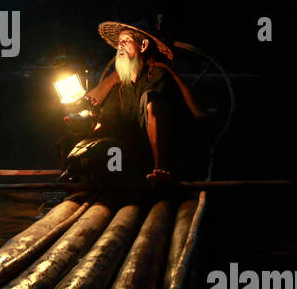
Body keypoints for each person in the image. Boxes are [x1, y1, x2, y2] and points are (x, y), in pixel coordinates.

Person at [82, 20, 209, 183]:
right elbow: (100, 110)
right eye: (119, 42)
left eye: (127, 40)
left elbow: (161, 110)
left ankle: (160, 170)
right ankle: (106, 174)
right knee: (94, 127)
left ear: (143, 46)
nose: (121, 45)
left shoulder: (158, 73)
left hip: (166, 147)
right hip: (130, 150)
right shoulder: (119, 84)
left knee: (150, 100)